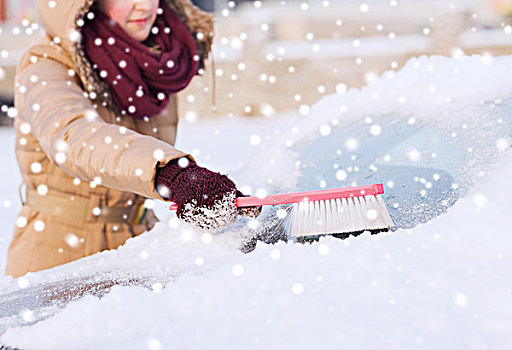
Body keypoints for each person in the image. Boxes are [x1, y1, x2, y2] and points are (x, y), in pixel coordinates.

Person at [6, 0, 260, 278]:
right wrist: (170, 173)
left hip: (136, 244)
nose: (144, 5)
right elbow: (73, 135)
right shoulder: (46, 62)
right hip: (59, 255)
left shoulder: (157, 59)